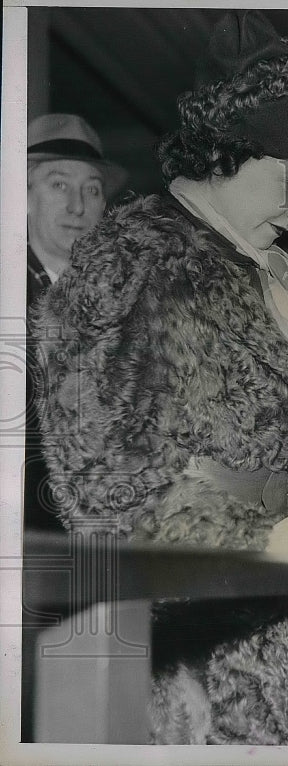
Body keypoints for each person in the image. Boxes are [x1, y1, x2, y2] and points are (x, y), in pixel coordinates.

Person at [33, 11, 288, 745]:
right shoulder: (134, 262)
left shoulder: (258, 265)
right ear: (226, 153)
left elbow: (273, 461)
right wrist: (271, 535)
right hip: (190, 682)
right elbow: (106, 499)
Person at [24, 113, 127, 532]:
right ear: (24, 195)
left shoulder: (120, 300)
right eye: (60, 184)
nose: (77, 206)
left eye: (92, 189)